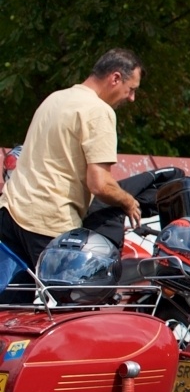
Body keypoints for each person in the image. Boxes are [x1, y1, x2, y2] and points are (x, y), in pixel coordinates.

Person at [0, 49, 142, 267]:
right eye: (131, 89)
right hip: (48, 222)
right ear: (115, 78)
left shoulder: (55, 98)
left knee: (15, 289)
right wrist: (129, 201)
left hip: (9, 213)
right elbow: (100, 184)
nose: (131, 98)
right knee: (72, 287)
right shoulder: (98, 111)